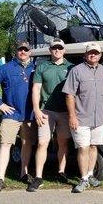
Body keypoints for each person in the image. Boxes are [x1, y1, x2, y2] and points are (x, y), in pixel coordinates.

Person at [62, 42, 103, 193]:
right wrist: (72, 116)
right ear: (85, 55)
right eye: (90, 53)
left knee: (94, 147)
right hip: (81, 118)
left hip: (98, 118)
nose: (93, 55)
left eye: (96, 53)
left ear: (100, 55)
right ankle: (84, 179)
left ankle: (91, 175)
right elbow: (69, 94)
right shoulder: (76, 71)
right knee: (83, 148)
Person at [0, 41, 36, 192]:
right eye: (20, 49)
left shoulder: (36, 69)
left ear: (30, 52)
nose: (23, 52)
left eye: (26, 49)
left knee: (27, 144)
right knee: (5, 144)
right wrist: (0, 104)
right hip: (11, 114)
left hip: (29, 114)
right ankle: (0, 178)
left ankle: (23, 174)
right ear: (16, 52)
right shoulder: (6, 68)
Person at [28, 38, 74, 192]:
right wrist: (36, 109)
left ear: (64, 50)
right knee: (42, 143)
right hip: (46, 111)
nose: (57, 50)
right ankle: (39, 177)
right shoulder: (42, 67)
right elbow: (36, 89)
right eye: (54, 48)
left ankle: (61, 171)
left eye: (60, 48)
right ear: (50, 50)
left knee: (63, 142)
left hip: (65, 112)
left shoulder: (71, 68)